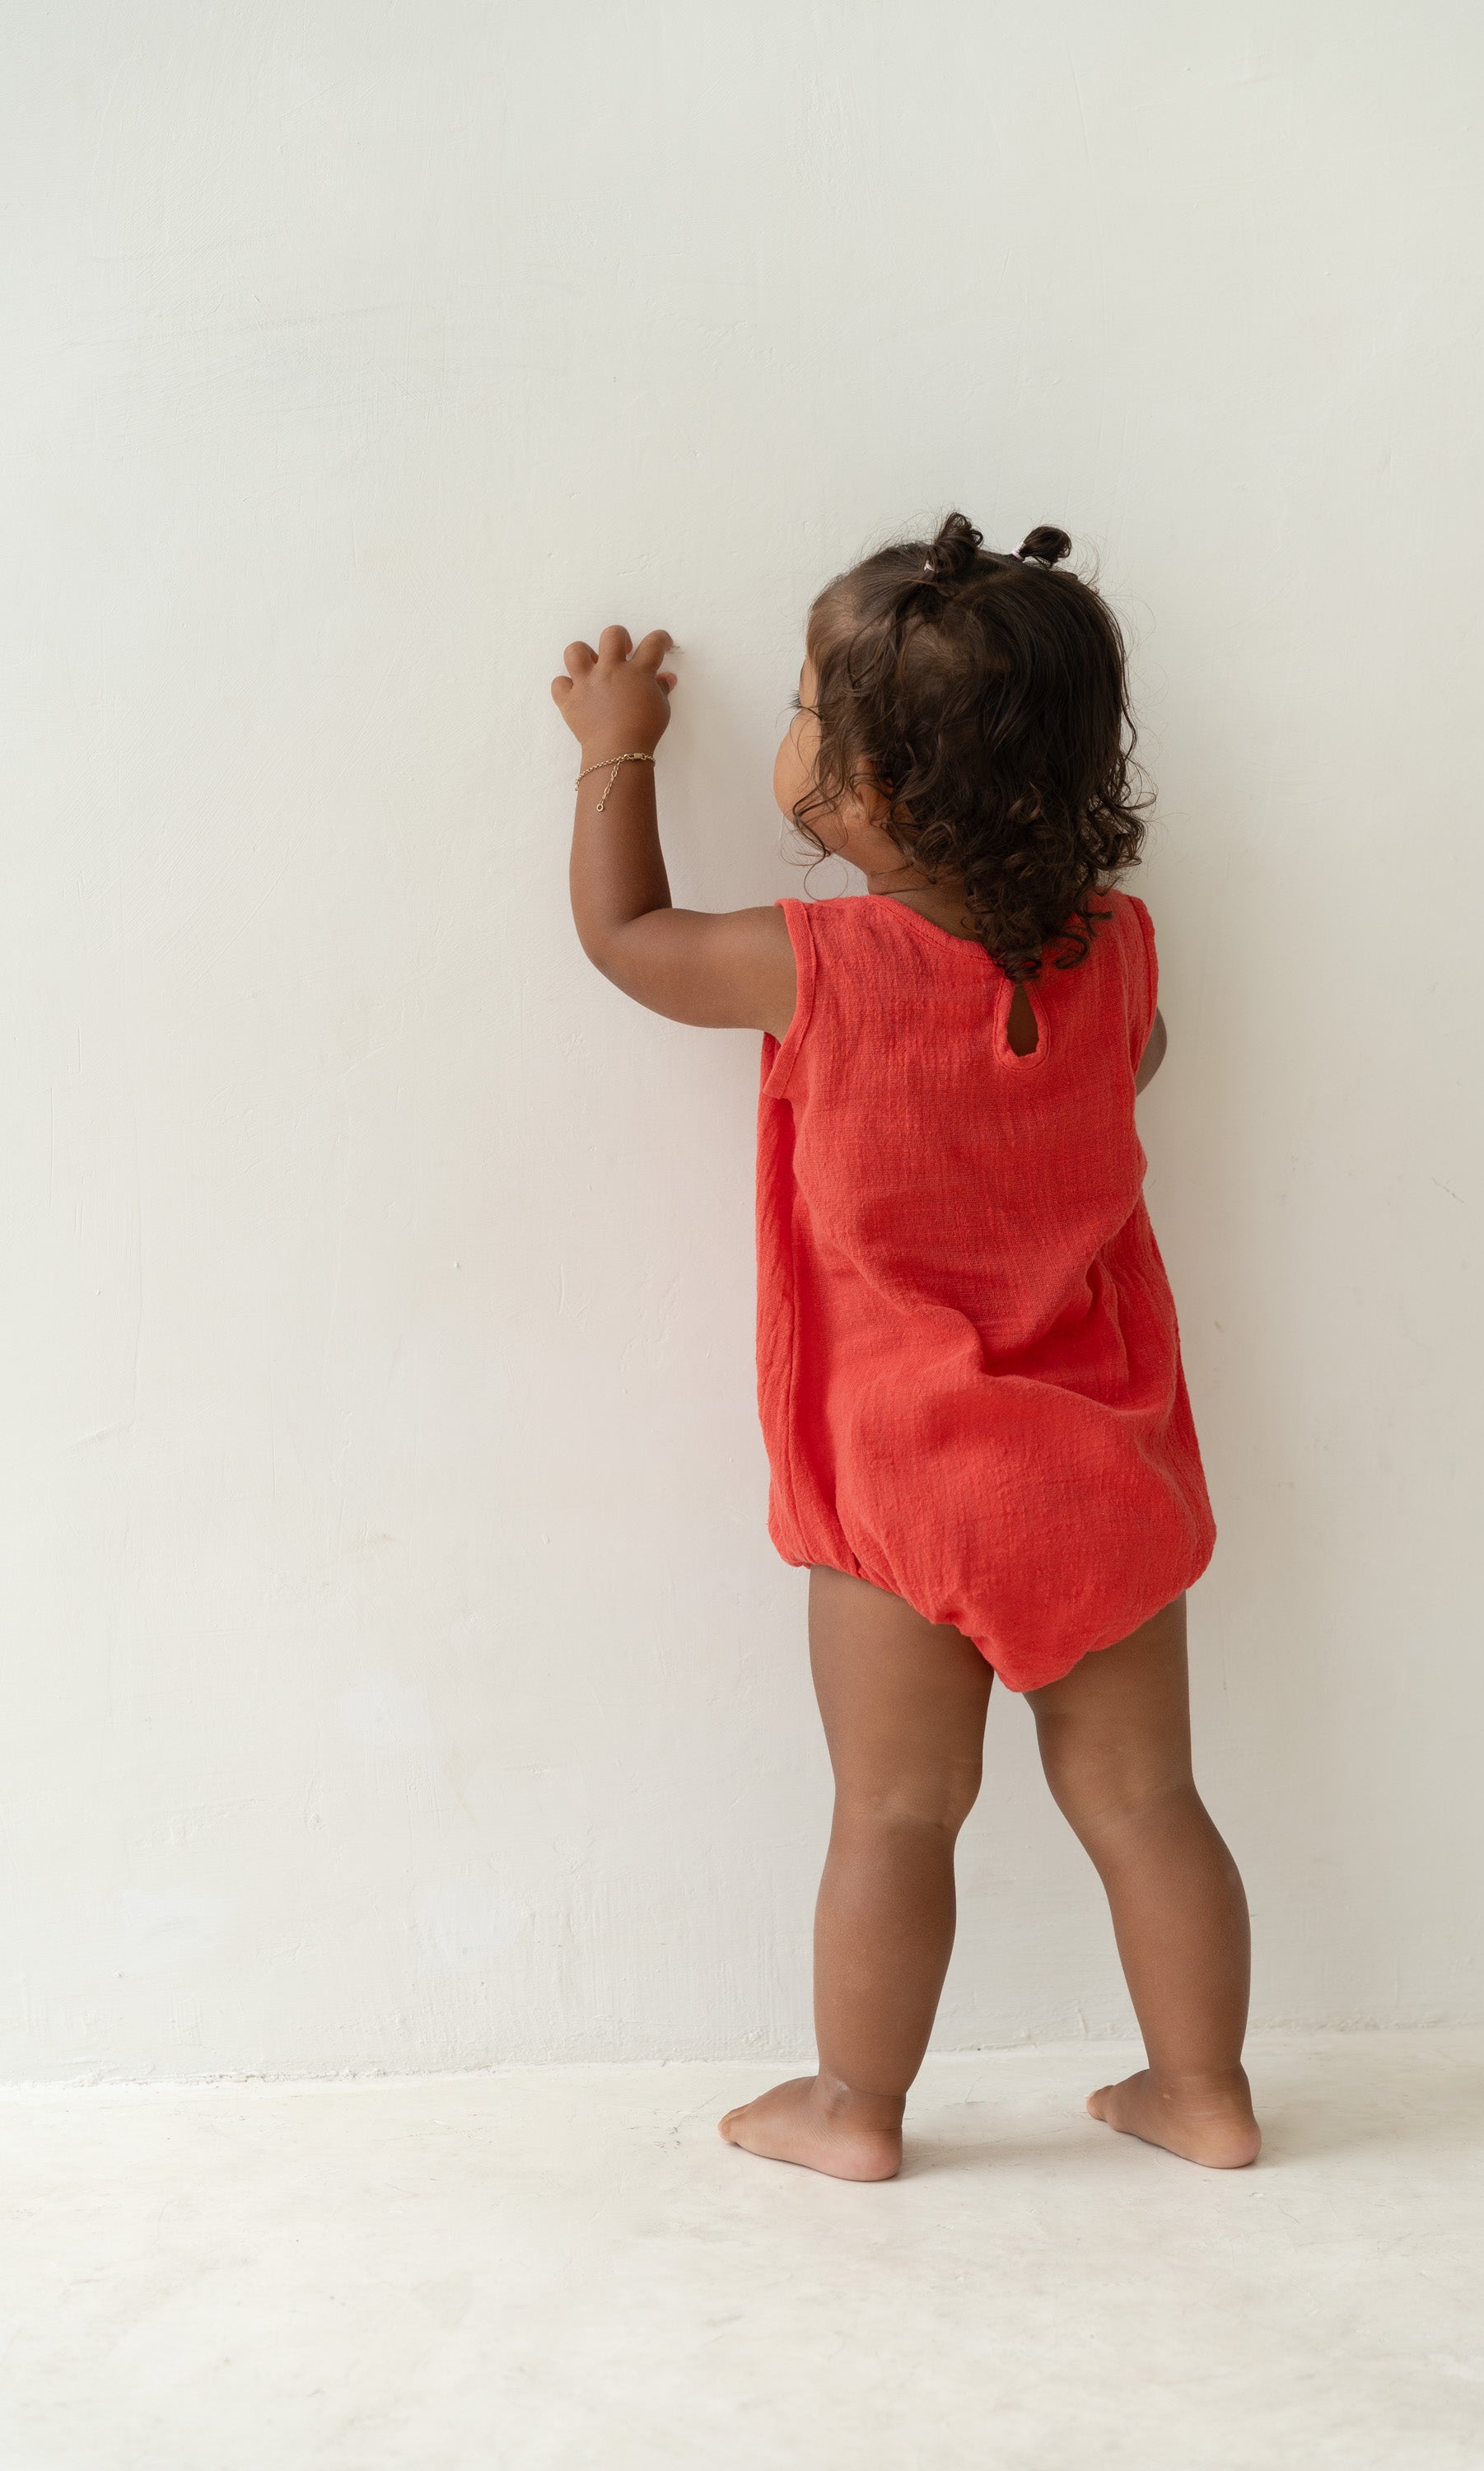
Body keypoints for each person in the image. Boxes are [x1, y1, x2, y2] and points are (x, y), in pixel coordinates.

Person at [552, 512, 1259, 2181]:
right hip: (1103, 1473)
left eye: (804, 703)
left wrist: (615, 756)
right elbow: (1127, 1069)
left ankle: (856, 2110)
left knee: (892, 1812)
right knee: (1148, 1803)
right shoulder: (1119, 958)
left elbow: (626, 940)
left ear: (861, 788)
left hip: (904, 1486)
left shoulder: (819, 969)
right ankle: (1204, 2090)